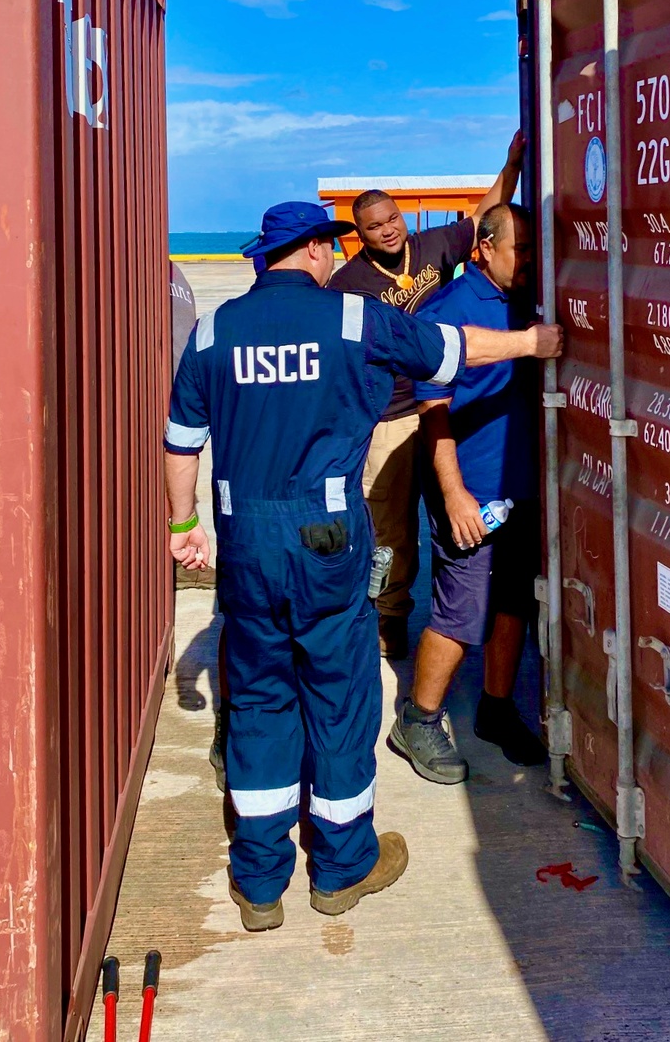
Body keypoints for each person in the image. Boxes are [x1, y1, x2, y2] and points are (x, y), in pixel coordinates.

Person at [163, 201, 563, 932]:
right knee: (339, 697)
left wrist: (184, 525)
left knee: (257, 700)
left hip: (245, 542)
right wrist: (532, 343)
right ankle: (342, 869)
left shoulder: (214, 331)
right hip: (322, 540)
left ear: (264, 258)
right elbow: (453, 349)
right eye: (331, 245)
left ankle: (258, 883)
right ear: (316, 250)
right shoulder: (352, 320)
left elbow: (181, 439)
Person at [329, 130, 526, 660]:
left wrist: (511, 163)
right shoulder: (348, 284)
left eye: (392, 219)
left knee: (452, 511)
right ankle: (391, 615)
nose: (388, 231)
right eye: (374, 227)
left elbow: (488, 215)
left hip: (442, 405)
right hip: (389, 418)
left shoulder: (435, 245)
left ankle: (457, 605)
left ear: (400, 217)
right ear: (360, 235)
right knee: (390, 527)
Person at [390, 204, 547, 785]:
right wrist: (453, 495)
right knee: (461, 614)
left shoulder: (528, 301)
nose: (530, 261)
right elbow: (431, 411)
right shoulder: (448, 310)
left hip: (522, 487)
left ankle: (496, 709)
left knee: (513, 603)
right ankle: (419, 718)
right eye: (521, 250)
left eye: (534, 249)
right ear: (483, 248)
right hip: (471, 490)